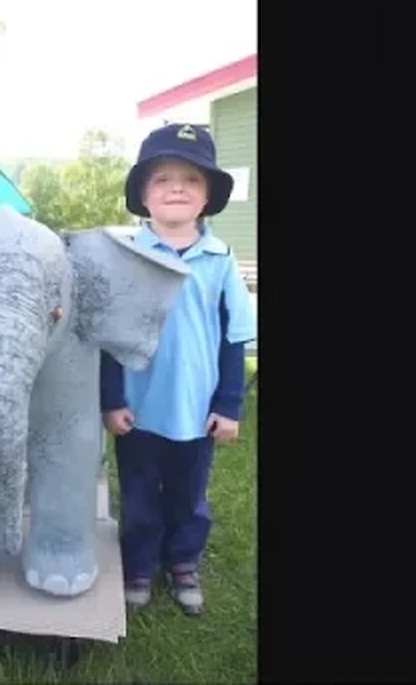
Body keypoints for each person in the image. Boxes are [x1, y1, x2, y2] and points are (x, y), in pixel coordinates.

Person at [101, 122, 255, 616]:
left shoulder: (220, 259)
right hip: (139, 409)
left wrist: (228, 405)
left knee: (190, 496)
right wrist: (111, 400)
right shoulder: (126, 257)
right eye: (163, 178)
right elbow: (108, 336)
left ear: (207, 195)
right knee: (141, 495)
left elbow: (233, 340)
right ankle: (140, 564)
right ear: (143, 194)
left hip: (196, 410)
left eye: (191, 180)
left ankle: (183, 561)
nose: (176, 188)